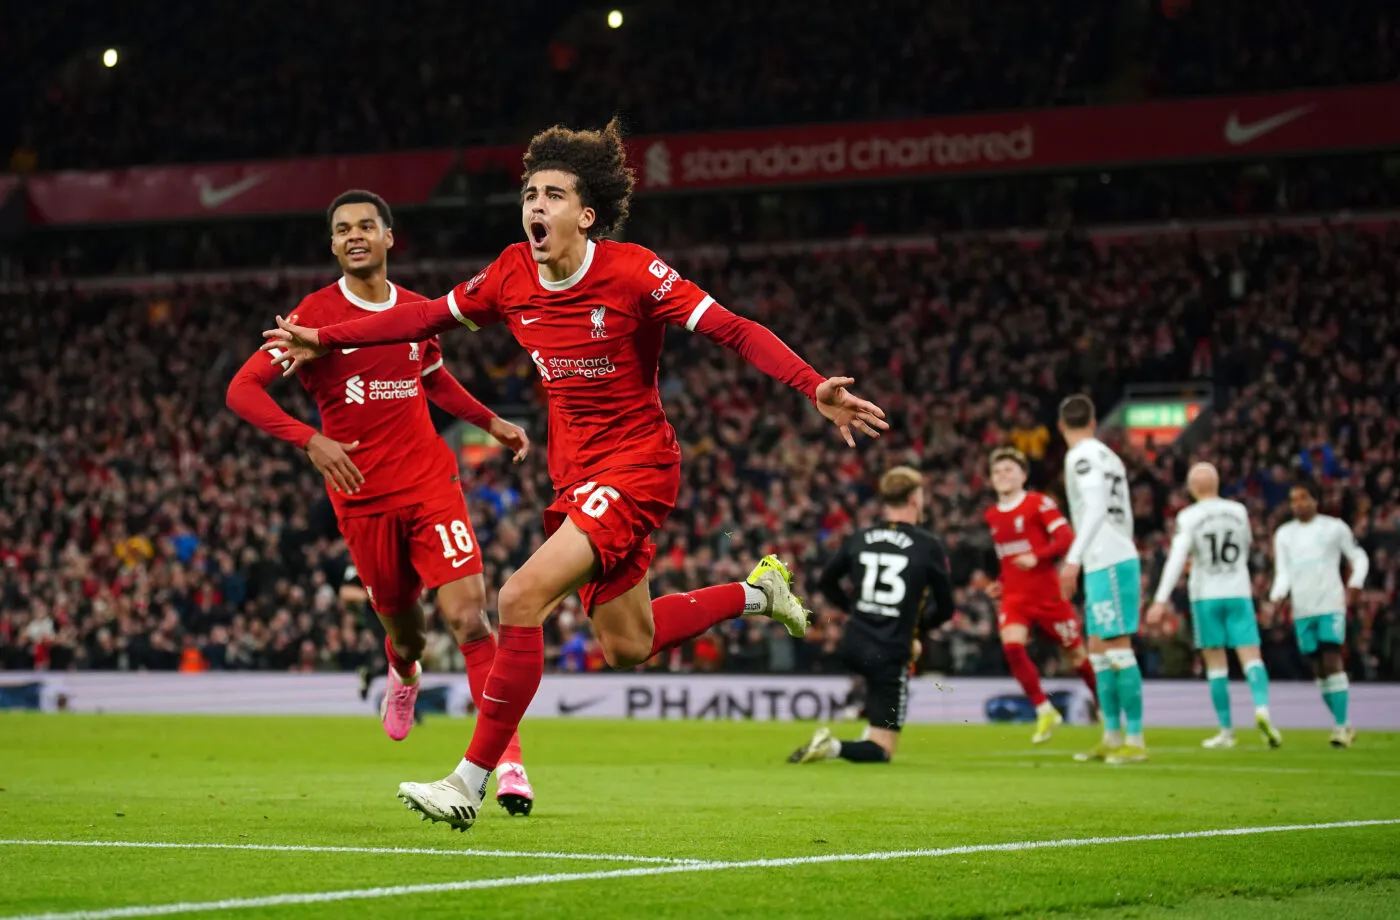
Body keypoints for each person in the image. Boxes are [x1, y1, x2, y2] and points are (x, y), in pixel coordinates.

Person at [261, 121, 888, 830]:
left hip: (638, 464)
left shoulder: (634, 273)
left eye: (553, 194)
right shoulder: (509, 275)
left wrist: (812, 386)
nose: (536, 205)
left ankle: (469, 781)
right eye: (530, 193)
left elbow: (734, 329)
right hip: (575, 475)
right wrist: (325, 336)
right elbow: (423, 318)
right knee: (629, 644)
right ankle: (757, 592)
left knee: (520, 596)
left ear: (584, 215)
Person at [226, 189, 537, 815]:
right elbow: (243, 389)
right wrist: (310, 439)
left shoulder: (418, 312)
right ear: (334, 244)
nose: (355, 235)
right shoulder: (308, 318)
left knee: (470, 617)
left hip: (430, 483)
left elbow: (434, 378)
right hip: (362, 500)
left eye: (367, 225)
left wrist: (492, 422)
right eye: (343, 229)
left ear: (390, 237)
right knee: (407, 631)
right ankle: (405, 672)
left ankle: (506, 766)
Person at [788, 466, 954, 764]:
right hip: (890, 651)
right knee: (883, 749)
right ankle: (833, 747)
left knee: (875, 697)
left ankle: (861, 716)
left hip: (854, 643)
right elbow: (946, 608)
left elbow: (826, 581)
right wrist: (913, 631)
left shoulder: (860, 536)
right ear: (916, 498)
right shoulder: (927, 545)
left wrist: (855, 609)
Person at [1147, 462, 1282, 749]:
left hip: (1205, 594)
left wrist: (1160, 599)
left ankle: (1226, 730)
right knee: (1251, 657)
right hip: (1238, 591)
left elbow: (1177, 557)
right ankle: (1262, 710)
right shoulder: (1238, 511)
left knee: (1216, 663)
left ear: (1193, 488)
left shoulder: (1189, 516)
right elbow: (1245, 546)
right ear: (1217, 483)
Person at [983, 447, 1097, 744]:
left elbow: (1065, 538)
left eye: (1009, 469)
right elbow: (1006, 559)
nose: (1002, 475)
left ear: (1023, 475)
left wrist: (1038, 556)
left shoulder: (1039, 503)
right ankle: (1044, 709)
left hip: (1048, 595)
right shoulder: (992, 515)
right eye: (997, 472)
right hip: (1015, 597)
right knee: (1012, 646)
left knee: (1077, 656)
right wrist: (1000, 582)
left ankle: (1107, 709)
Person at [1057, 395, 1148, 765]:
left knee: (1118, 648)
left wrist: (1073, 560)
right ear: (1093, 422)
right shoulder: (1110, 457)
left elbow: (1095, 508)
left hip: (1108, 558)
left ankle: (1136, 740)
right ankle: (1111, 736)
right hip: (1107, 557)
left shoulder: (1081, 456)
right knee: (1098, 651)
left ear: (1061, 426)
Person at [1268, 480, 1369, 748]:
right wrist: (1277, 596)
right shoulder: (1284, 534)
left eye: (1303, 497)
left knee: (1332, 657)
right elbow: (1284, 572)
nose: (1298, 504)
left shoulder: (1334, 528)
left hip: (1330, 603)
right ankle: (1344, 723)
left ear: (1315, 500)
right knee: (1318, 668)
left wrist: (1356, 583)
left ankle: (1339, 727)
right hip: (1302, 608)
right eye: (1293, 499)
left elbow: (1358, 557)